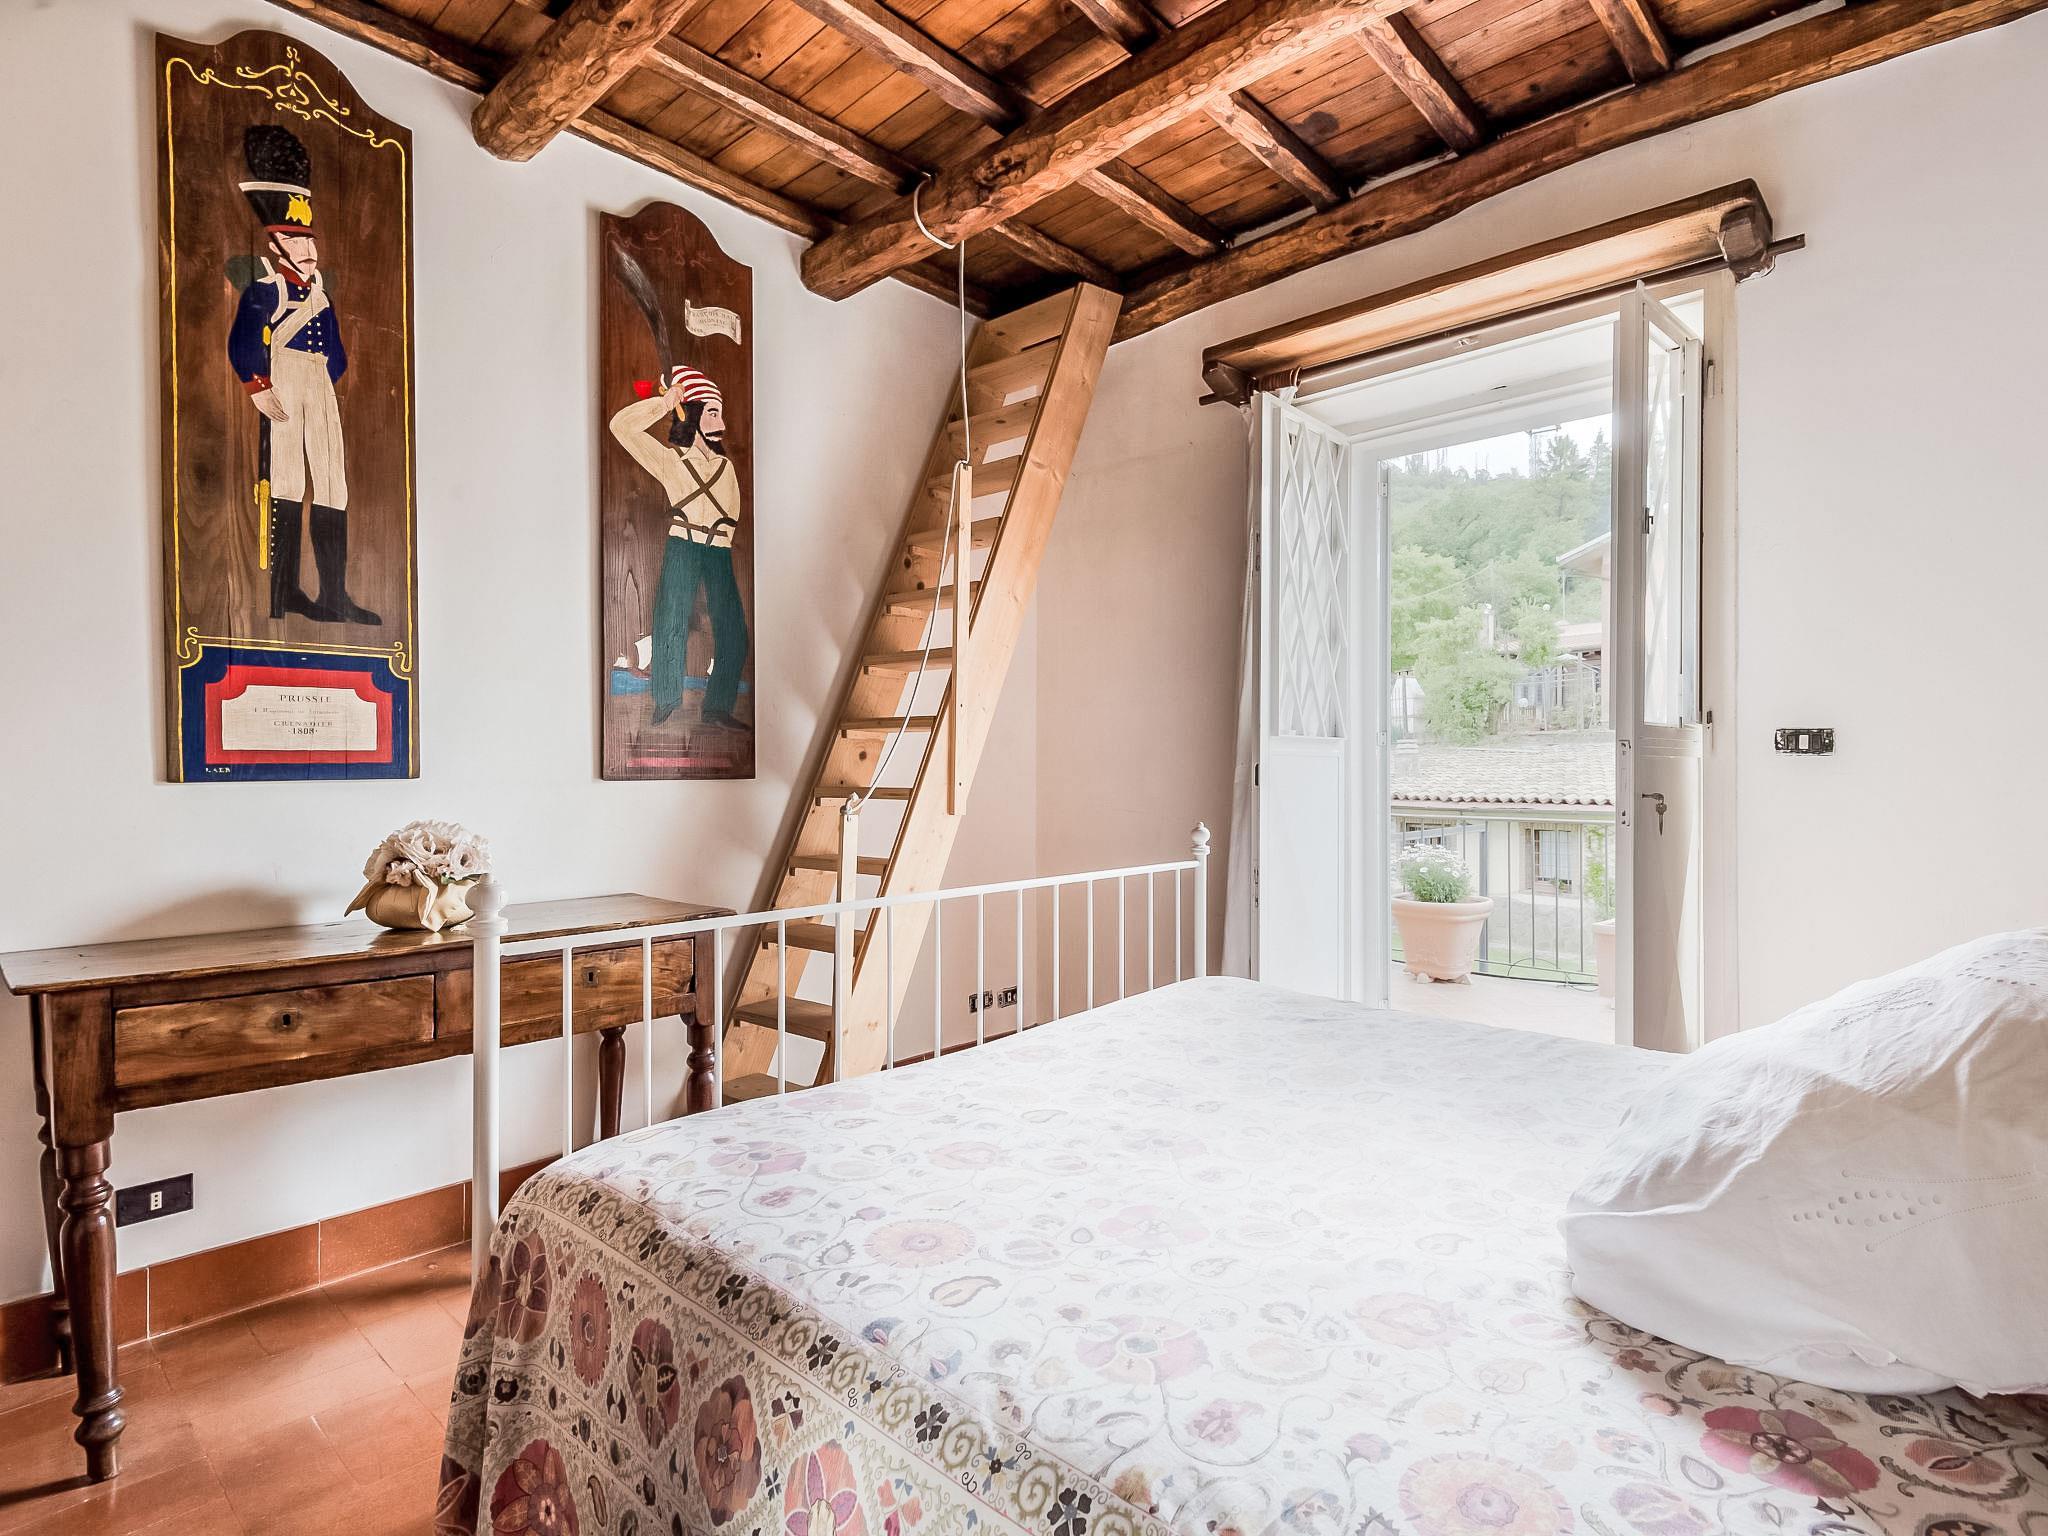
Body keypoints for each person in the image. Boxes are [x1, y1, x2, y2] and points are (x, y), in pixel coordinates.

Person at [227, 124, 378, 625]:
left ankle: (334, 595)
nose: (307, 248)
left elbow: (336, 351)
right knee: (288, 481)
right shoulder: (266, 290)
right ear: (277, 246)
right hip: (283, 381)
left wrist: (326, 379)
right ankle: (284, 592)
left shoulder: (321, 295)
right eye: (295, 240)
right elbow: (243, 342)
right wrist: (259, 386)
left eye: (308, 239)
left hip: (318, 385)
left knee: (333, 482)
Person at [608, 365, 750, 729]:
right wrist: (664, 402)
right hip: (683, 547)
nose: (721, 422)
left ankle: (718, 707)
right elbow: (621, 427)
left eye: (720, 413)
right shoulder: (671, 461)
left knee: (733, 630)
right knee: (670, 622)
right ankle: (666, 699)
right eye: (713, 413)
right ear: (695, 414)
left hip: (718, 551)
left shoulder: (726, 467)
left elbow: (732, 514)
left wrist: (719, 543)